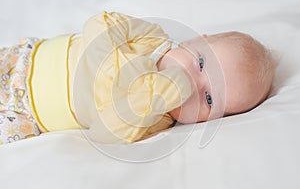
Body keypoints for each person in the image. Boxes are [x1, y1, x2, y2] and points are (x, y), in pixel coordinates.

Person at [0, 11, 275, 145]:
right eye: (201, 63)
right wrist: (111, 65)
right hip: (28, 61)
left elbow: (102, 134)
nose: (192, 83)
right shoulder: (152, 38)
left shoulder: (155, 121)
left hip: (26, 117)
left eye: (209, 98)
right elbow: (99, 24)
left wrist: (144, 102)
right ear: (194, 40)